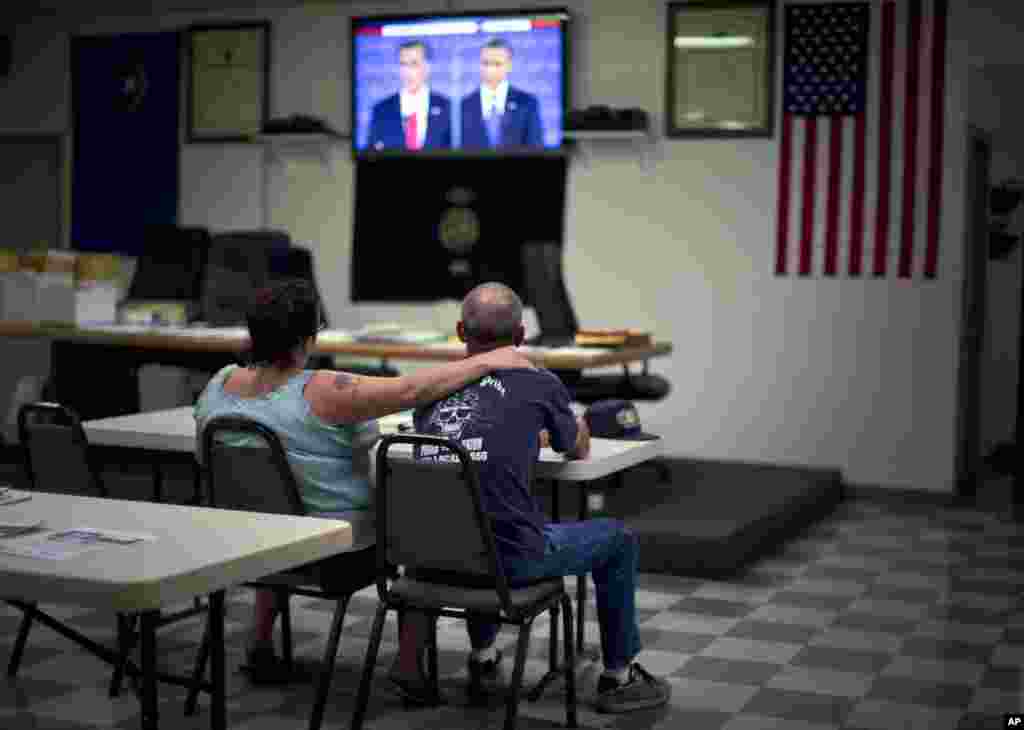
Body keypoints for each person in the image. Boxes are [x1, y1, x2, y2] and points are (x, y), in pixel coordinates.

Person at [193, 279, 533, 680]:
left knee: (275, 504)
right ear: (308, 337)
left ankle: (261, 641)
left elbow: (203, 457)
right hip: (331, 554)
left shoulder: (218, 384)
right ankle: (408, 668)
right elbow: (409, 391)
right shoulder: (322, 391)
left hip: (248, 542)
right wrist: (489, 361)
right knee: (422, 522)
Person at [389, 282, 671, 713]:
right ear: (521, 336)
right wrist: (570, 425)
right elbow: (574, 448)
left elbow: (465, 438)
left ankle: (483, 658)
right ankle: (619, 676)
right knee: (617, 540)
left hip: (434, 557)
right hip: (510, 561)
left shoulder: (429, 390)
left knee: (473, 517)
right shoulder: (539, 383)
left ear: (461, 332)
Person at [367, 39, 452, 151]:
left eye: (414, 64)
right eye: (403, 64)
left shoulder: (447, 107)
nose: (407, 72)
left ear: (427, 67)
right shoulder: (381, 110)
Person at [460, 38, 544, 150]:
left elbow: (536, 148)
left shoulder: (527, 103)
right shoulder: (464, 105)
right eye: (486, 63)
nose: (490, 69)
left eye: (497, 64)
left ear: (509, 66)